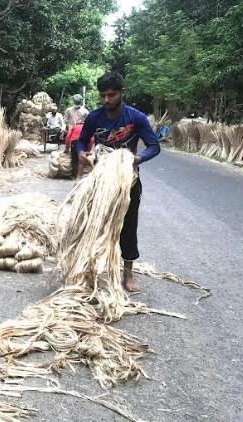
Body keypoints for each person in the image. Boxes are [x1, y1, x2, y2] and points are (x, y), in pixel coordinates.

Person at [75, 71, 161, 294]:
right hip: (101, 180)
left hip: (127, 182)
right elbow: (82, 140)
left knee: (128, 226)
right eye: (102, 95)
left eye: (111, 95)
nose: (106, 100)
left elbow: (154, 146)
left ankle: (128, 274)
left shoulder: (136, 118)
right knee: (93, 222)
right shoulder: (95, 117)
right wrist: (82, 153)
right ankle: (90, 269)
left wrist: (137, 159)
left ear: (122, 93)